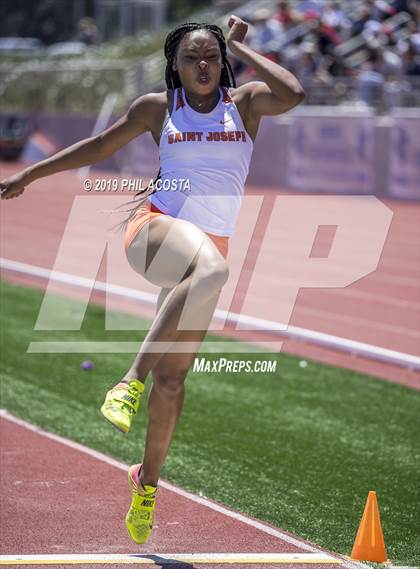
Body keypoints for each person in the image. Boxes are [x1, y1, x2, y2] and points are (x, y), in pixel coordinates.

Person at [1, 15, 304, 544]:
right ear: (177, 65)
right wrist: (30, 172)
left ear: (224, 60)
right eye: (192, 57)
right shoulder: (157, 108)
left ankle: (146, 484)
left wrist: (244, 51)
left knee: (174, 381)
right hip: (156, 230)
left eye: (212, 55)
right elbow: (98, 148)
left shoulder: (246, 103)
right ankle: (126, 383)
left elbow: (294, 92)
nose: (204, 64)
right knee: (210, 269)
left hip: (207, 252)